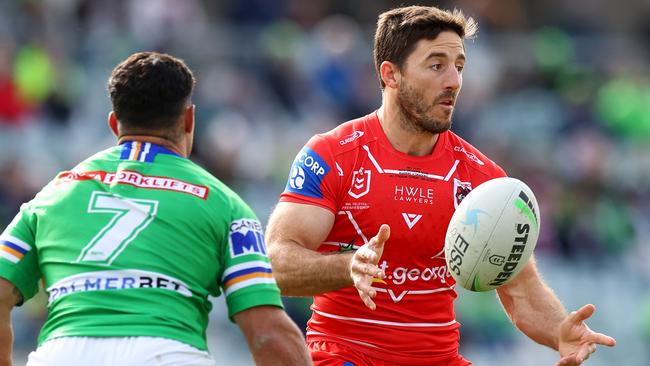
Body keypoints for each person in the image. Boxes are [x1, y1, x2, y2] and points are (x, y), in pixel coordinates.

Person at [265, 5, 616, 366]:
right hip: (345, 357)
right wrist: (348, 266)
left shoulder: (483, 180)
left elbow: (521, 289)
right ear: (391, 74)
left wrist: (560, 329)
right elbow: (275, 263)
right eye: (437, 65)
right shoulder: (333, 155)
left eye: (459, 67)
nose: (454, 81)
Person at [0, 52, 312, 366]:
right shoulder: (225, 204)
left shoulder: (53, 195)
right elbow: (267, 333)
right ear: (189, 119)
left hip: (63, 354)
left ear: (113, 124)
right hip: (167, 354)